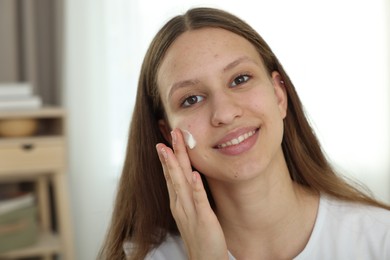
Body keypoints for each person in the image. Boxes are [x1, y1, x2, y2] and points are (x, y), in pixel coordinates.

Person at [99, 7, 390, 260]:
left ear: (279, 95)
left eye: (240, 79)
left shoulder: (380, 239)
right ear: (167, 134)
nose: (225, 113)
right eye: (191, 99)